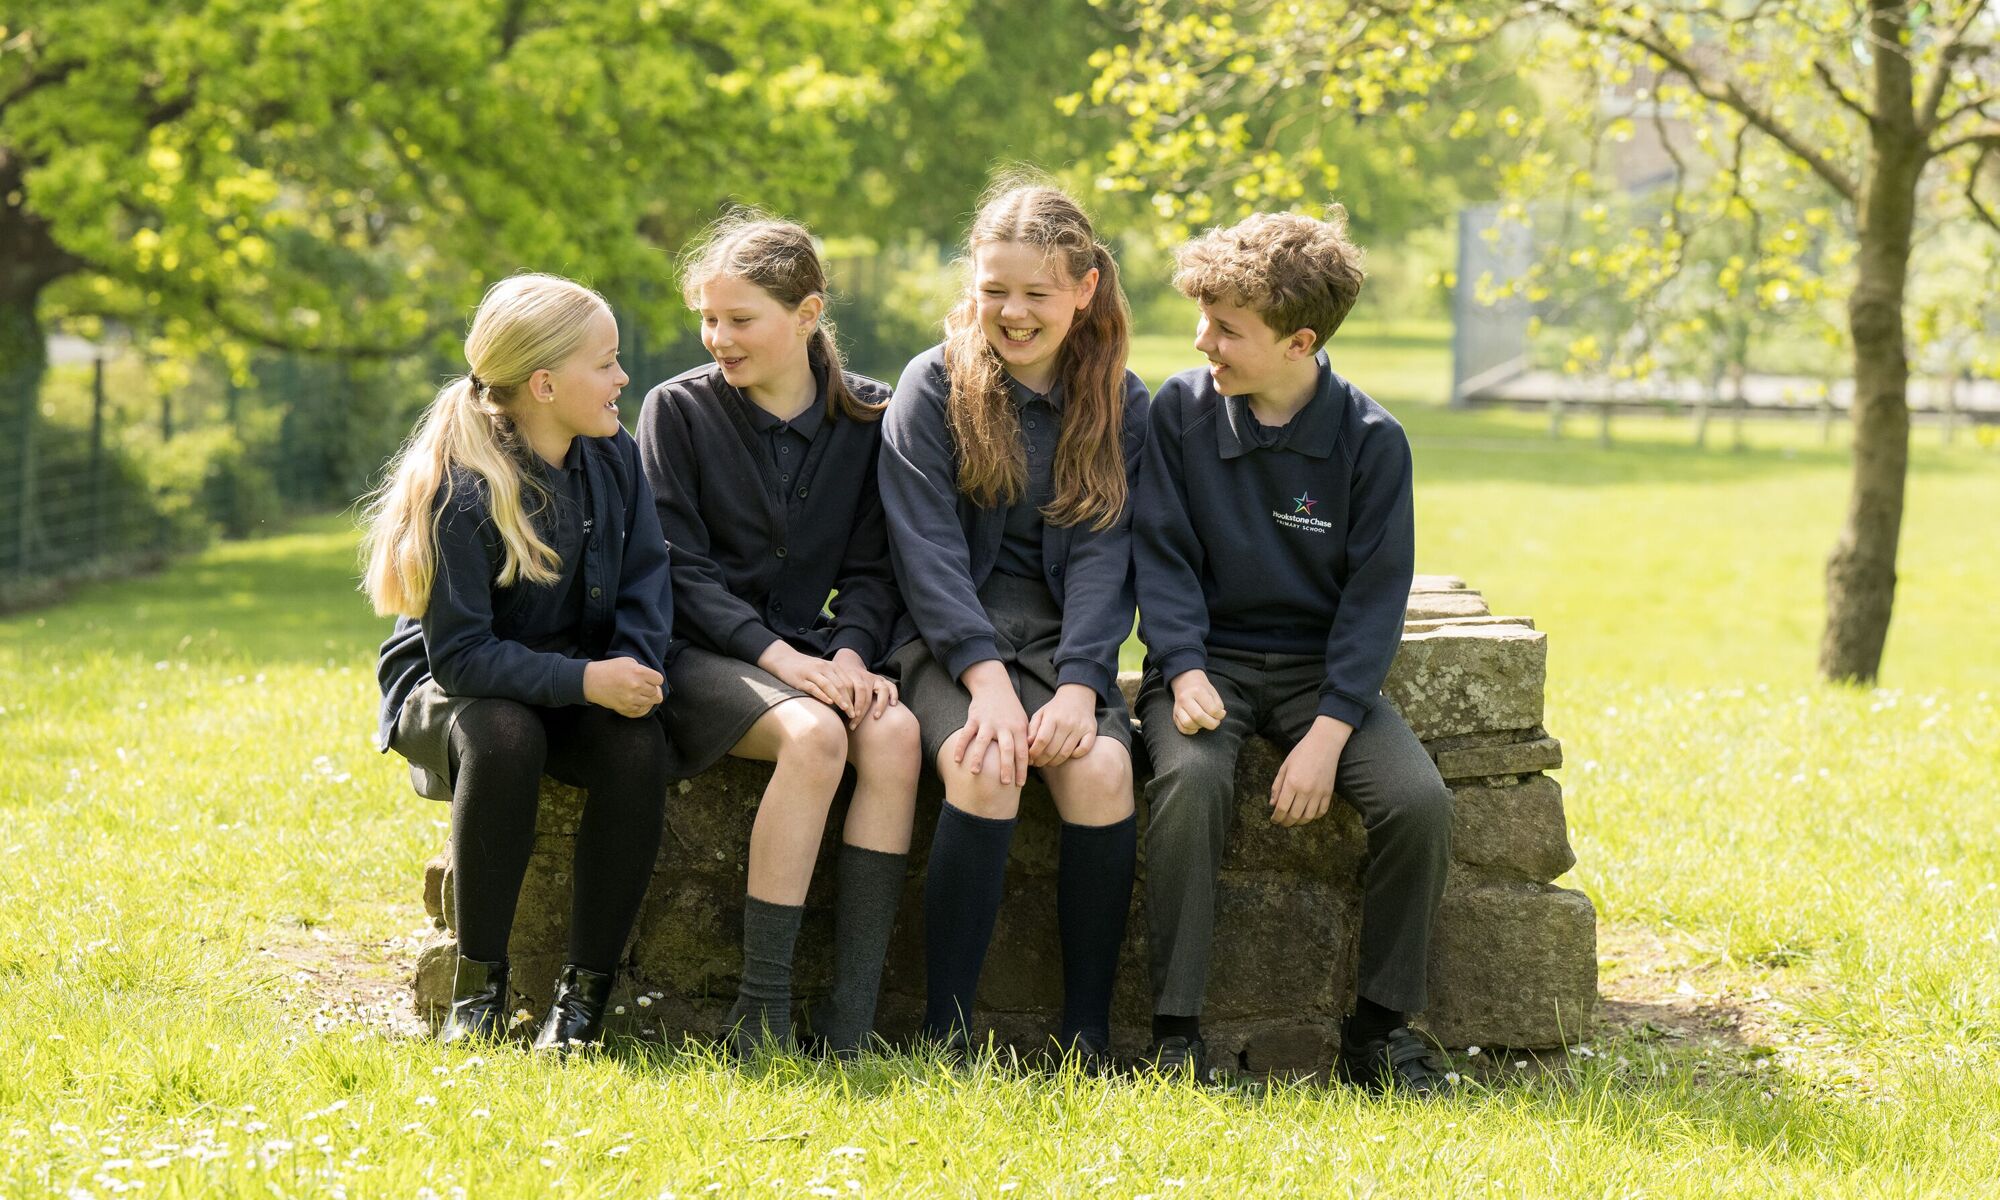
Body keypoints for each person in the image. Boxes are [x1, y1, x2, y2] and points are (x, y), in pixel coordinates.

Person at [1132, 209, 1456, 1094]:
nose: (1204, 341)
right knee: (1191, 785)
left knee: (1418, 804)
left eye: (1227, 329)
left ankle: (1381, 1033)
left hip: (1323, 678)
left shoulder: (1372, 442)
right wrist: (1184, 664)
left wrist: (1330, 732)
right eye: (1204, 318)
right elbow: (1159, 556)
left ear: (1299, 341)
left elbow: (1372, 601)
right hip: (1207, 668)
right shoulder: (1179, 413)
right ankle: (1175, 1037)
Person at [365, 273, 675, 1053]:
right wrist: (585, 681)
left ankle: (583, 1007)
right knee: (505, 736)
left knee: (637, 747)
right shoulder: (463, 488)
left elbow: (646, 580)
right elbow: (463, 658)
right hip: (457, 690)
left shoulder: (613, 457)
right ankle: (478, 994)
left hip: (572, 676)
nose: (621, 379)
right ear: (544, 384)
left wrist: (629, 673)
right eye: (605, 363)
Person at [879, 181, 1148, 1065]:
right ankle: (946, 1035)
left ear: (1086, 288)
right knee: (985, 763)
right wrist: (986, 683)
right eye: (996, 290)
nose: (1015, 312)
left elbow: (1110, 553)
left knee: (1103, 770)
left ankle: (1086, 1036)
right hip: (949, 643)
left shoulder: (1117, 398)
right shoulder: (933, 386)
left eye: (1037, 292)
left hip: (1064, 643)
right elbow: (926, 555)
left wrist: (1080, 685)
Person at [637, 214, 919, 1057]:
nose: (718, 338)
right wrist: (783, 660)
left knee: (897, 735)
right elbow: (677, 572)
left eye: (740, 319)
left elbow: (875, 571)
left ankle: (850, 1021)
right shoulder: (677, 411)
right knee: (814, 737)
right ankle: (758, 1017)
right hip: (700, 655)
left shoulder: (873, 415)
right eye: (709, 319)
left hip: (815, 650)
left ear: (807, 312)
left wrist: (846, 655)